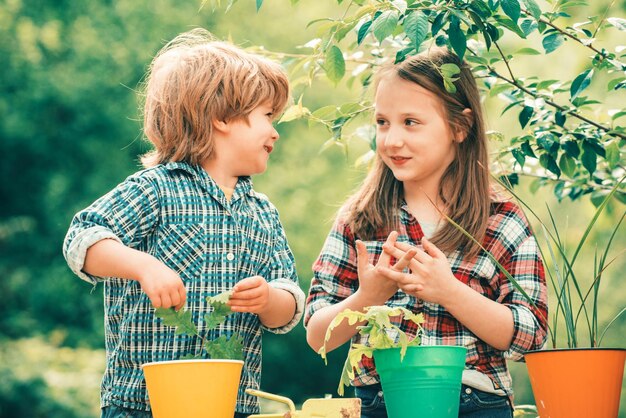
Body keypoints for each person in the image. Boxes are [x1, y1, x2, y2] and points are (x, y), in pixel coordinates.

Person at [63, 28, 304, 418]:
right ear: (223, 117)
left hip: (231, 406)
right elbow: (83, 240)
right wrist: (145, 266)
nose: (275, 130)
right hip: (143, 405)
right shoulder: (155, 190)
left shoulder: (263, 212)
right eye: (267, 116)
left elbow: (289, 304)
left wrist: (269, 299)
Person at [304, 47, 548, 418]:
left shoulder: (500, 220)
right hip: (378, 404)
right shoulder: (361, 219)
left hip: (475, 403)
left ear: (460, 127)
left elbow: (529, 335)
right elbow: (317, 335)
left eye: (411, 122)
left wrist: (448, 292)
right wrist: (368, 297)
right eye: (383, 122)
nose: (391, 140)